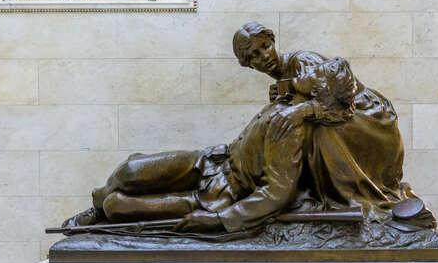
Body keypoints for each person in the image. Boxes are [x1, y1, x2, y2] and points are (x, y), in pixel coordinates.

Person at [63, 57, 359, 233]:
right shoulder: (292, 98)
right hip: (212, 160)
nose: (310, 68)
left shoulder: (292, 127)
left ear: (319, 90)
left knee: (118, 207)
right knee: (130, 169)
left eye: (317, 73)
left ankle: (104, 207)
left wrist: (219, 220)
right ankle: (97, 200)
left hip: (220, 193)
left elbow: (277, 193)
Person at [232, 22, 409, 220]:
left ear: (273, 42)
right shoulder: (283, 80)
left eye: (265, 46)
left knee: (315, 128)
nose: (264, 56)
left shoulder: (302, 61)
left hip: (372, 121)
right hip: (351, 120)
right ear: (248, 64)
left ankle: (340, 196)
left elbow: (338, 102)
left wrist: (301, 110)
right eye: (255, 55)